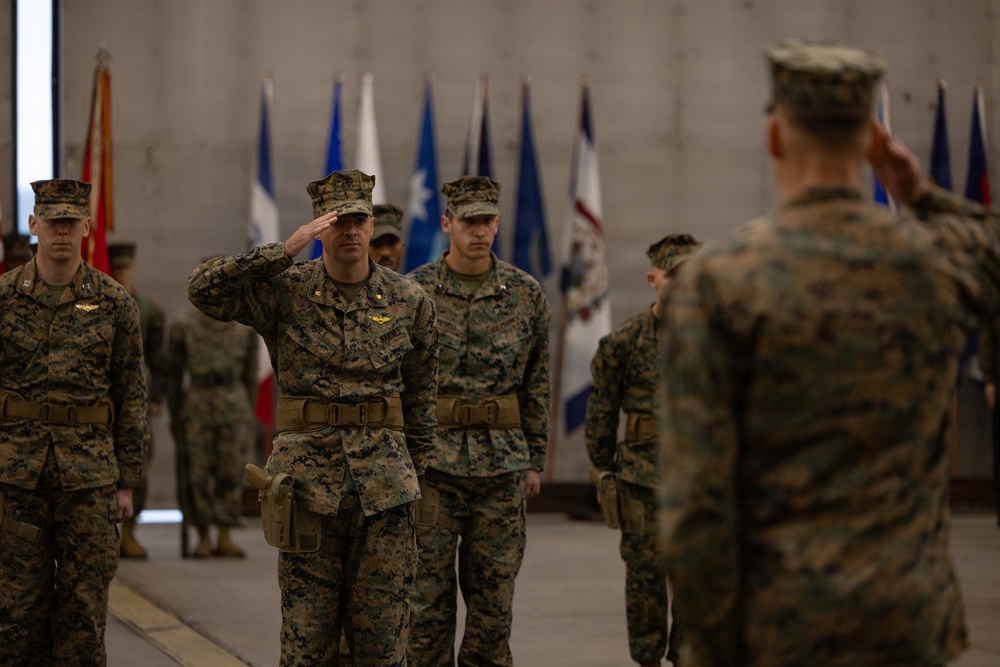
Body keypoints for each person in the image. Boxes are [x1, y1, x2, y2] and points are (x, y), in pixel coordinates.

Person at [659, 39, 1000, 667]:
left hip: (775, 625)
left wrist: (708, 644)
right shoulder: (940, 257)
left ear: (773, 136)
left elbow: (696, 500)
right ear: (875, 141)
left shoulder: (720, 278)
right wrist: (925, 199)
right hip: (907, 620)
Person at [187, 169, 438, 666]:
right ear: (321, 226)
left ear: (371, 225)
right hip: (307, 490)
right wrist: (283, 250)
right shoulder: (286, 290)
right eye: (338, 220)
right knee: (307, 642)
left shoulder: (410, 302)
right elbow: (203, 290)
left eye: (359, 219)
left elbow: (422, 398)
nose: (350, 230)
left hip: (385, 491)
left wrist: (418, 475)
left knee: (384, 644)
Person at [0, 179, 149, 665]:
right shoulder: (4, 299)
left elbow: (130, 397)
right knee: (15, 617)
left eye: (71, 222)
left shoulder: (114, 303)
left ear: (86, 226)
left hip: (90, 482)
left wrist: (127, 482)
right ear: (33, 225)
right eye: (52, 221)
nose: (61, 231)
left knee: (83, 616)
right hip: (15, 480)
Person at [406, 175, 550, 667]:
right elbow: (396, 379)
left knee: (493, 609)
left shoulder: (525, 294)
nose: (480, 230)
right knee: (425, 606)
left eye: (488, 220)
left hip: (501, 470)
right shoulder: (415, 292)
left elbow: (537, 381)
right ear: (447, 223)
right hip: (432, 469)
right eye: (469, 221)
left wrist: (535, 460)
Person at [586, 234, 700, 667]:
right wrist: (601, 472)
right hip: (640, 482)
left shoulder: (719, 337)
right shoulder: (625, 342)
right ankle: (648, 659)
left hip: (699, 481)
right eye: (675, 276)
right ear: (655, 278)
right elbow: (602, 410)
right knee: (645, 585)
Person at [167, 303, 257, 558]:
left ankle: (225, 534)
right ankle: (203, 536)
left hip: (234, 403)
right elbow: (174, 375)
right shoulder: (184, 325)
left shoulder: (244, 327)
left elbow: (250, 374)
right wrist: (175, 414)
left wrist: (247, 408)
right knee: (198, 473)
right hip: (198, 405)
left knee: (231, 470)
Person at [108, 241, 167, 558]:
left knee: (138, 466)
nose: (121, 272)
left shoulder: (148, 310)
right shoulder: (99, 305)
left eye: (125, 267)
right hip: (104, 398)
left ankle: (129, 532)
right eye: (116, 267)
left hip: (135, 398)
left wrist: (156, 397)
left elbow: (159, 360)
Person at [369, 203, 406, 272]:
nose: (385, 253)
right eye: (377, 244)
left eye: (391, 243)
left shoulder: (415, 282)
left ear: (402, 249)